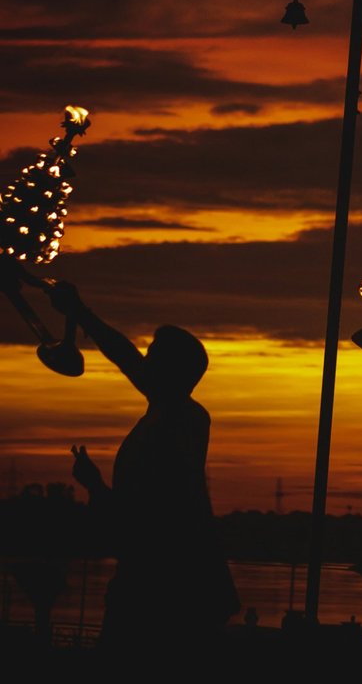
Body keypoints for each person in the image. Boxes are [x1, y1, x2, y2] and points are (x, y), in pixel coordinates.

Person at [50, 282, 239, 660]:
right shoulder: (169, 418)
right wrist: (95, 485)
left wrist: (81, 312)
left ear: (171, 369)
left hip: (168, 588)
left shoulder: (185, 418)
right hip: (153, 577)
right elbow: (139, 507)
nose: (143, 359)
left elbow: (151, 510)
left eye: (152, 354)